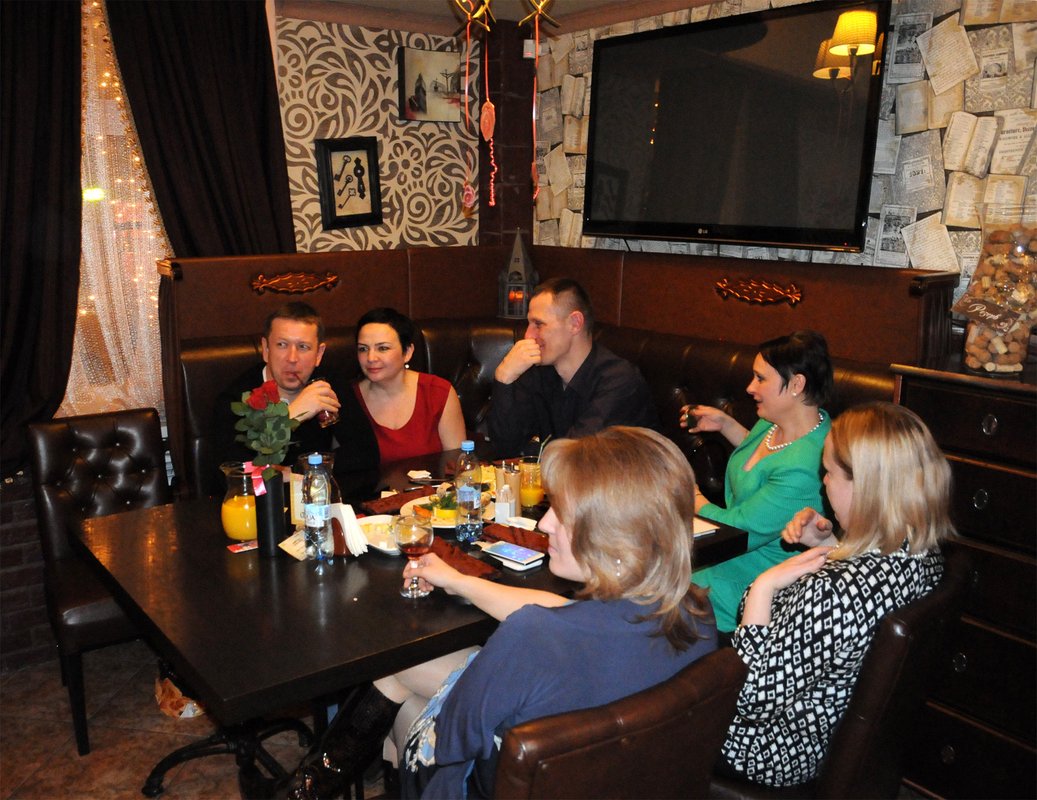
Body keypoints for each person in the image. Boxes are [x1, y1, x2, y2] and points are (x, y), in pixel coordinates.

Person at [286, 427, 717, 800]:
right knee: (405, 668)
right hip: (616, 776)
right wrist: (458, 581)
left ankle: (309, 788)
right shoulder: (694, 612)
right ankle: (310, 785)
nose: (545, 524)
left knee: (400, 686)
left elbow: (454, 736)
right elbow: (569, 617)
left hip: (497, 784)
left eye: (561, 513)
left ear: (612, 538)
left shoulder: (532, 636)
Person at [718, 402, 951, 786]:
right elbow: (855, 613)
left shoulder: (835, 592)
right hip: (824, 733)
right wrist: (832, 546)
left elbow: (749, 699)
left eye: (829, 472)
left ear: (867, 488)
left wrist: (763, 586)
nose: (823, 482)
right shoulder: (923, 553)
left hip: (764, 752)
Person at [681, 330, 833, 636]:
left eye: (761, 379)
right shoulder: (777, 422)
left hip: (747, 588)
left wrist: (690, 496)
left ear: (797, 384)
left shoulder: (805, 469)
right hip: (719, 561)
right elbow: (766, 461)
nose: (750, 387)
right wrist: (726, 425)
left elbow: (737, 532)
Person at [212, 302, 378, 495]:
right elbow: (236, 479)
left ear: (319, 354)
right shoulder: (237, 399)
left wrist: (296, 473)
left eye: (303, 347)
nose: (292, 358)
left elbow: (367, 456)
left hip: (316, 501)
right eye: (282, 345)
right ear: (266, 349)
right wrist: (291, 416)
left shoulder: (327, 384)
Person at [488, 277, 658, 457]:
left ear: (575, 323)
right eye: (529, 324)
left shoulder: (619, 381)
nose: (528, 335)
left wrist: (531, 451)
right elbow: (505, 448)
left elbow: (576, 457)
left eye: (538, 324)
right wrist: (504, 377)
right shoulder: (539, 373)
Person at [352, 307, 466, 463]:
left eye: (383, 348)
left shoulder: (438, 392)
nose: (371, 358)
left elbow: (458, 465)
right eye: (363, 349)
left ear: (407, 352)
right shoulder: (348, 398)